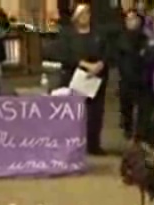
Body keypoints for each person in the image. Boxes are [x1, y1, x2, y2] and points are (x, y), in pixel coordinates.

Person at [58, 3, 108, 154]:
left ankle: (94, 144)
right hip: (75, 76)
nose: (85, 16)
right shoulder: (68, 34)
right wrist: (84, 64)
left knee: (95, 113)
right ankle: (74, 144)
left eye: (87, 13)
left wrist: (101, 64)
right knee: (75, 112)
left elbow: (107, 51)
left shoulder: (98, 33)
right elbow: (65, 55)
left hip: (96, 78)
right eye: (82, 14)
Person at [116, 10, 147, 141]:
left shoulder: (145, 37)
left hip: (141, 77)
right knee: (126, 106)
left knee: (142, 107)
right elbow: (118, 57)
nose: (130, 22)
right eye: (128, 19)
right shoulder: (121, 37)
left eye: (133, 19)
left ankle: (140, 132)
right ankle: (128, 128)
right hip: (126, 78)